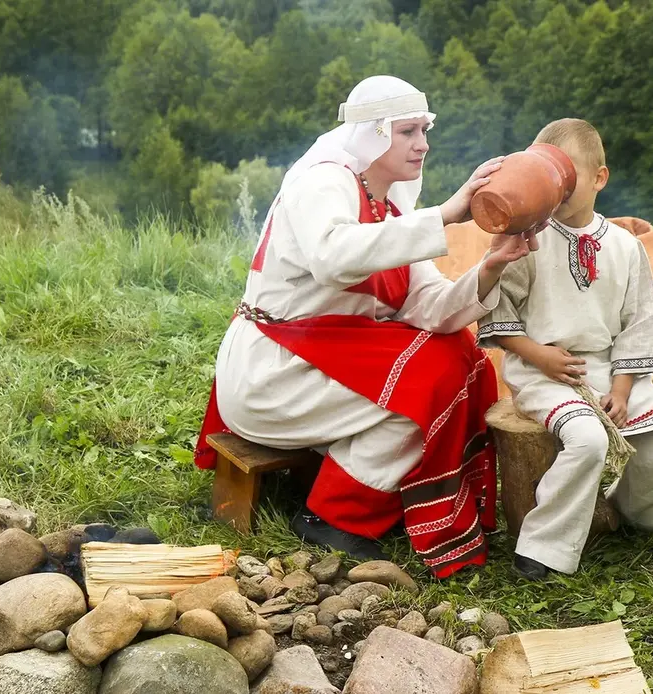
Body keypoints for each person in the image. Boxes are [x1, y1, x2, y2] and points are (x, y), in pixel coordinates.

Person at [193, 75, 537, 578]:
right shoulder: (322, 181)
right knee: (430, 372)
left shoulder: (391, 209)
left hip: (331, 362)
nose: (423, 144)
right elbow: (333, 257)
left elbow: (433, 308)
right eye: (407, 132)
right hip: (274, 371)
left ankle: (360, 485)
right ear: (372, 133)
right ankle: (334, 515)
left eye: (424, 130)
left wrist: (492, 265)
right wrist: (446, 215)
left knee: (460, 355)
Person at [477, 118, 653, 581]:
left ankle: (641, 508)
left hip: (608, 370)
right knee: (588, 439)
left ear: (599, 178)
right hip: (540, 370)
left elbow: (639, 323)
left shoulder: (625, 246)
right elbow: (497, 315)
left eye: (568, 176)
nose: (557, 188)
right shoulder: (526, 241)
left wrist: (622, 390)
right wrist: (538, 355)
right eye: (546, 175)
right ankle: (544, 544)